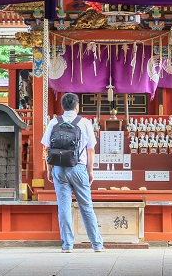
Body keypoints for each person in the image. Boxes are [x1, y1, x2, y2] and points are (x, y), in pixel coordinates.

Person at [41, 92, 104, 253]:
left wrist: (49, 169)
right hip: (78, 167)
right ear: (77, 106)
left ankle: (67, 245)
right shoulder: (84, 123)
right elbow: (90, 150)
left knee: (64, 207)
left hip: (59, 169)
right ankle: (96, 244)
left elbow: (46, 148)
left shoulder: (54, 122)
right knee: (86, 206)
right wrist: (90, 171)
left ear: (63, 106)